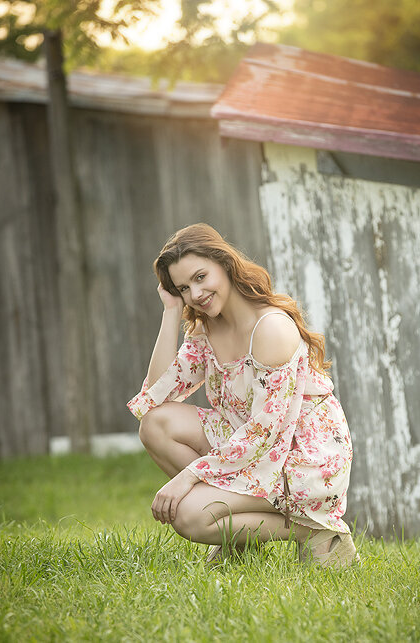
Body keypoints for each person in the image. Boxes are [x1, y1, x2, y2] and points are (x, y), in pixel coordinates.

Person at [127, 223, 358, 568]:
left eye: (201, 277)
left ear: (225, 263)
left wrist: (189, 478)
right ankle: (240, 540)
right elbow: (157, 396)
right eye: (184, 288)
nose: (196, 294)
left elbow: (266, 434)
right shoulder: (207, 326)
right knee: (155, 425)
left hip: (301, 459)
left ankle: (315, 531)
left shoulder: (271, 329)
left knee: (189, 516)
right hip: (250, 445)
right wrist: (171, 311)